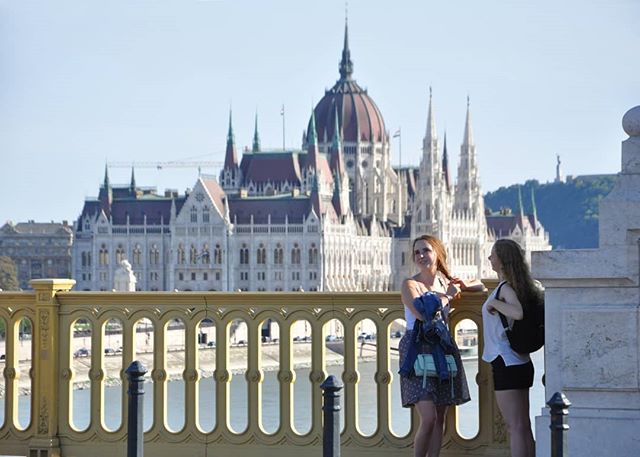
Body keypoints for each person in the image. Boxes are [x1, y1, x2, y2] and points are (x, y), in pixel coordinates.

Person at [399, 234, 484, 457]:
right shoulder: (410, 284)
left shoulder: (445, 282)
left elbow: (482, 286)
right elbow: (423, 314)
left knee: (440, 416)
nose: (420, 256)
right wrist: (447, 297)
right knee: (428, 417)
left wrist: (464, 285)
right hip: (417, 348)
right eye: (417, 252)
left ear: (437, 253)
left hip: (441, 348)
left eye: (426, 250)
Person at [482, 239, 541, 457]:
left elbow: (517, 313)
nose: (490, 259)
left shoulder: (505, 289)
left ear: (503, 261)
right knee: (523, 426)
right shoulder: (519, 286)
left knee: (514, 427)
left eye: (493, 255)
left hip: (505, 361)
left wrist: (493, 304)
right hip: (521, 361)